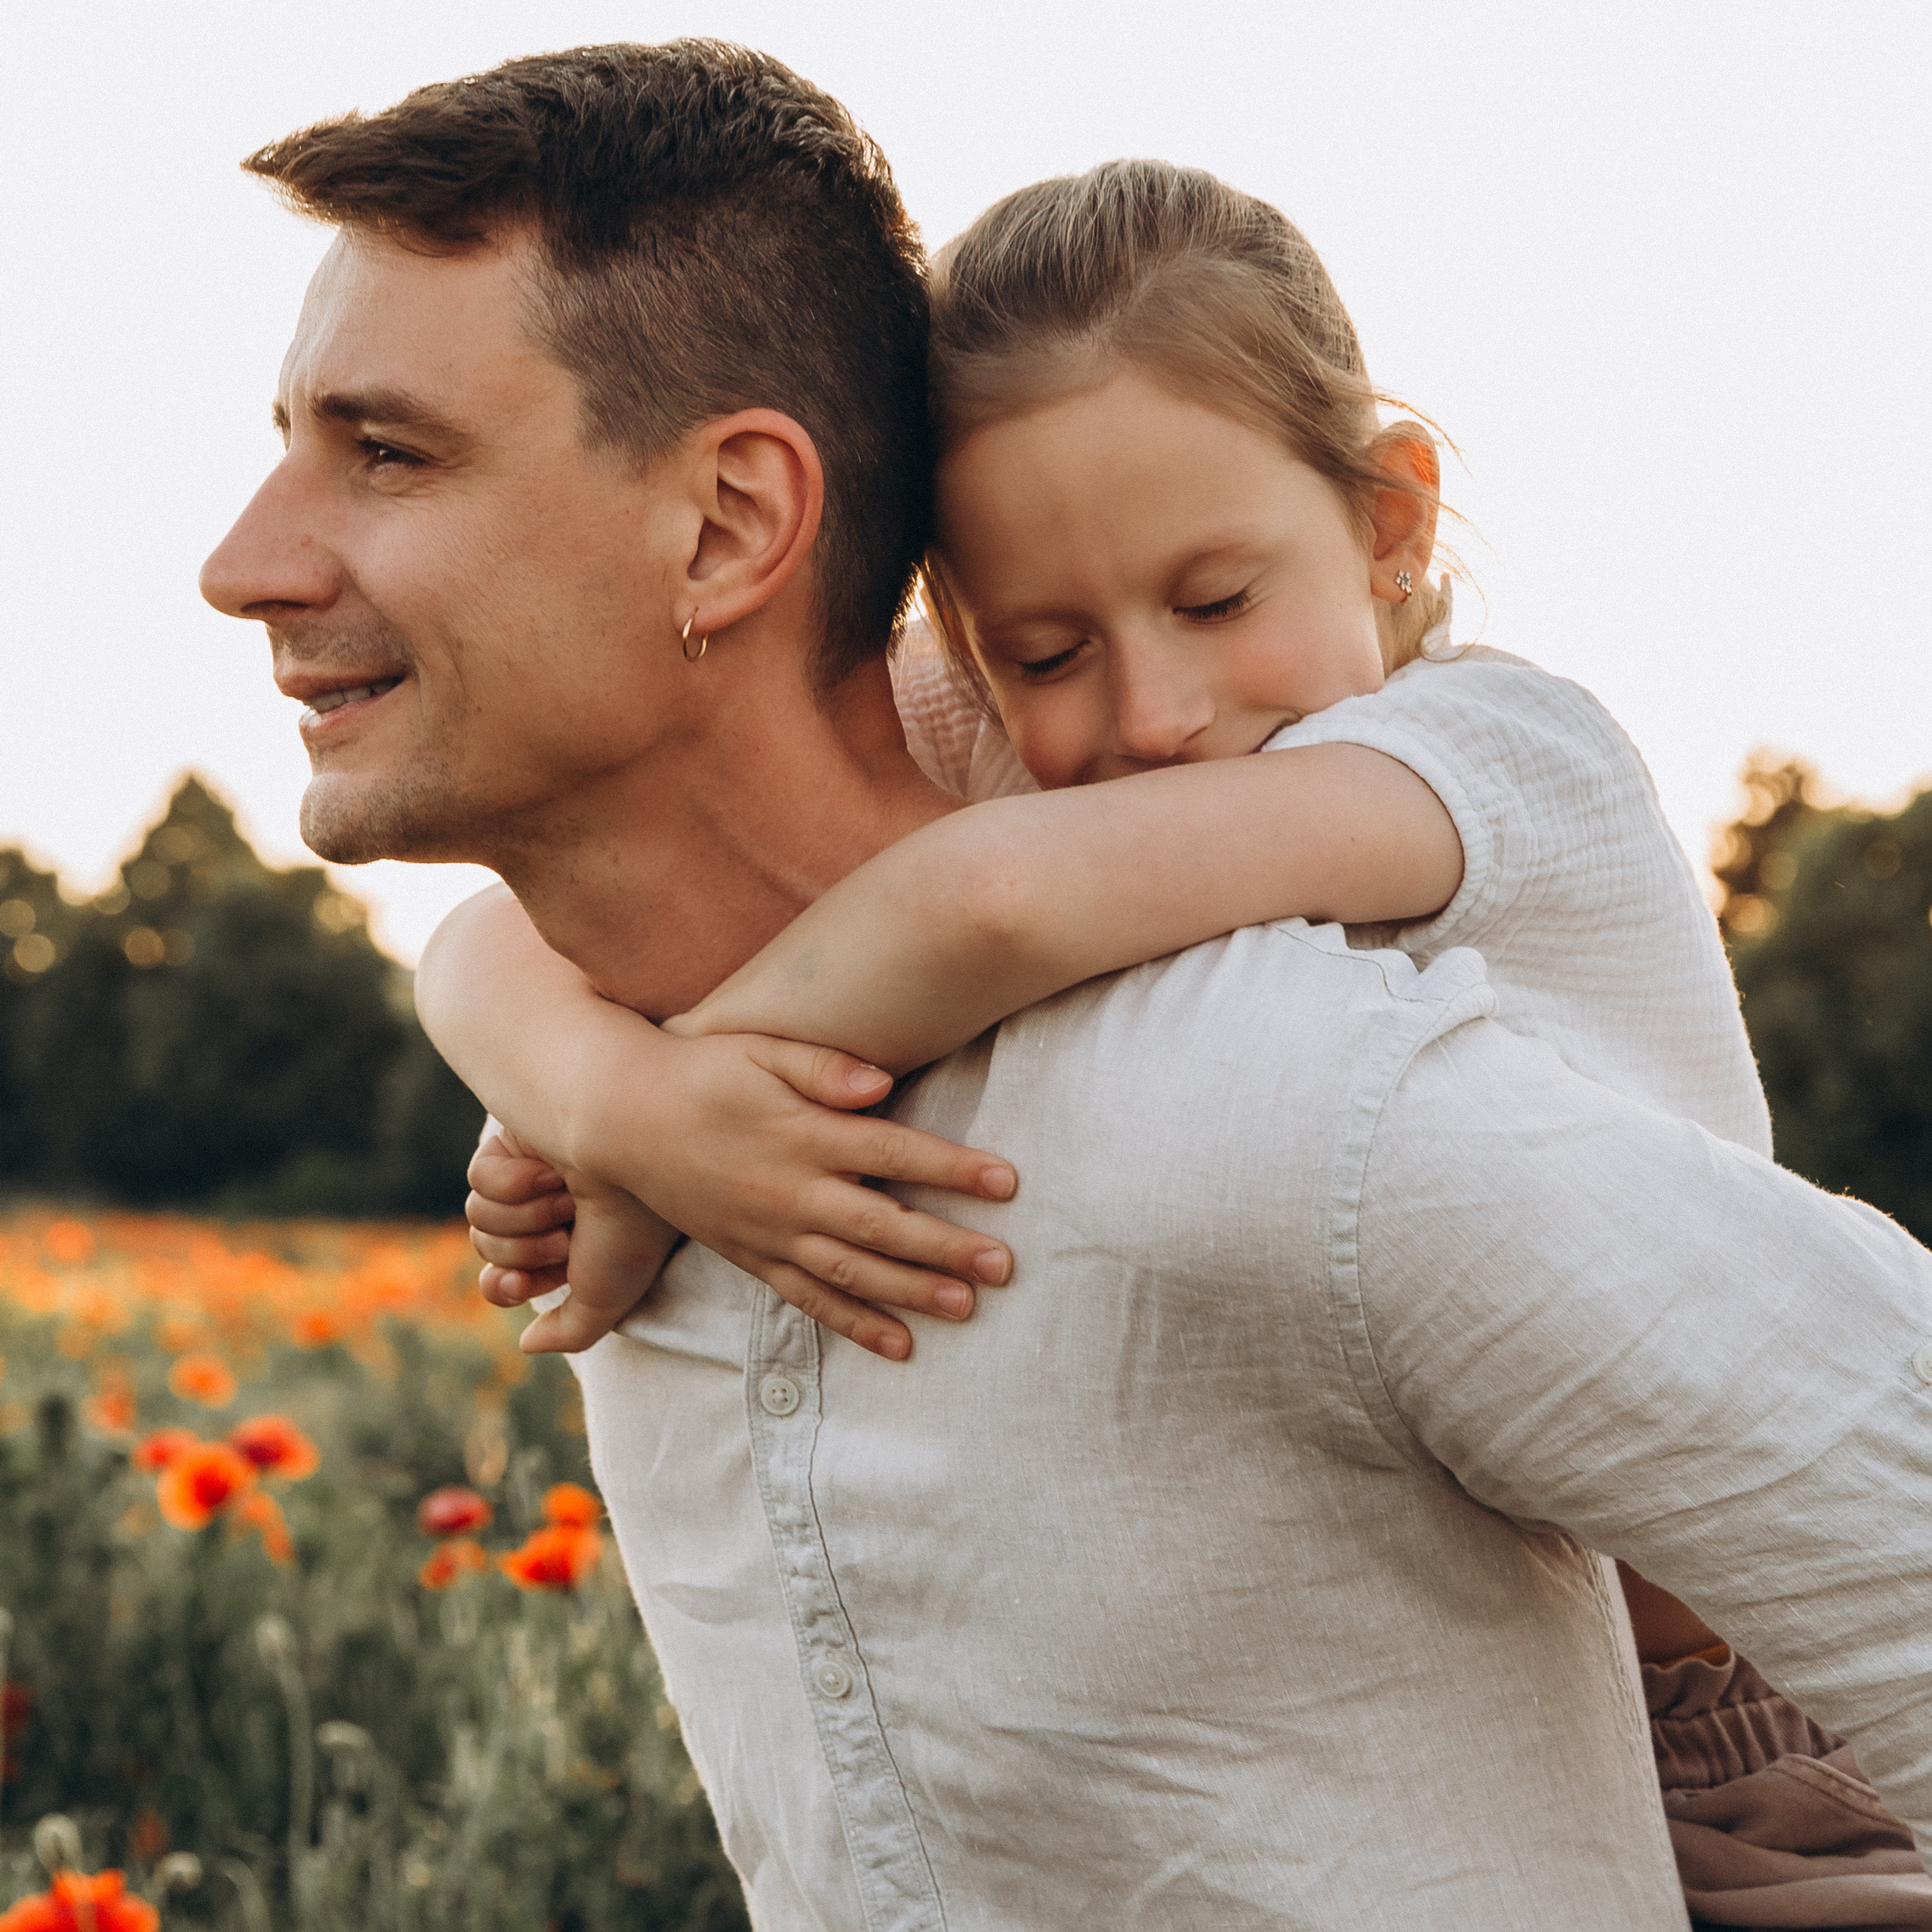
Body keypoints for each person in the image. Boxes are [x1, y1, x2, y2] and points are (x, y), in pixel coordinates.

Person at [199, 43, 1932, 1929]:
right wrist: (623, 1101)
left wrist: (671, 1095)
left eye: (386, 452)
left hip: (1759, 1743)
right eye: (1044, 647)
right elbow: (530, 949)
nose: (239, 563)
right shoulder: (653, 1110)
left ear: (727, 523)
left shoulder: (1315, 1035)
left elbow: (995, 899)